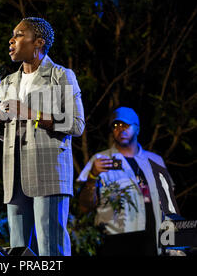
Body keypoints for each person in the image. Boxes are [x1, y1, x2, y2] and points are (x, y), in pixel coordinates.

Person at [0, 17, 85, 256]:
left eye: (19, 34)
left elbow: (76, 124)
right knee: (19, 251)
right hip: (14, 175)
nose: (11, 40)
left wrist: (32, 113)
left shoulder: (61, 75)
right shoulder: (8, 81)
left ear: (38, 42)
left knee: (51, 248)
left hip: (48, 172)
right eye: (13, 34)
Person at [77, 107, 180, 255]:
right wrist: (92, 177)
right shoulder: (101, 160)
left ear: (137, 129)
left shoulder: (155, 160)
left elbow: (169, 204)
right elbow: (84, 207)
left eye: (125, 125)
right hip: (116, 243)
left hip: (153, 242)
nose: (120, 130)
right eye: (116, 126)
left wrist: (176, 245)